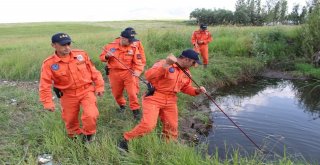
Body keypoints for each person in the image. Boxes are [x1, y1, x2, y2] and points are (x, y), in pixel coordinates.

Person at [118, 49, 207, 152]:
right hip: (154, 97)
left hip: (171, 100)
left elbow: (185, 88)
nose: (194, 65)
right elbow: (149, 76)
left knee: (172, 126)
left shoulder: (186, 73)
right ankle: (125, 141)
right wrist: (166, 65)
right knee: (148, 125)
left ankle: (167, 147)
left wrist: (197, 91)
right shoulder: (163, 63)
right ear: (187, 59)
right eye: (193, 62)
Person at [39, 32, 105, 143]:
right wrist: (47, 102)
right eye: (63, 45)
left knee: (91, 115)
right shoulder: (49, 64)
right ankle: (75, 137)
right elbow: (44, 84)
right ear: (53, 45)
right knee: (70, 120)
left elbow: (94, 71)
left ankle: (89, 136)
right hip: (67, 94)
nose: (67, 47)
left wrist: (99, 86)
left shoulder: (81, 55)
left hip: (86, 90)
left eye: (69, 44)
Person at [99, 30, 144, 120]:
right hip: (114, 73)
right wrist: (107, 56)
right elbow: (102, 57)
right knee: (117, 94)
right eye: (129, 40)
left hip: (128, 72)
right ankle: (122, 106)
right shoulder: (110, 46)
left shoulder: (133, 48)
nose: (132, 42)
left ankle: (136, 112)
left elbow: (138, 62)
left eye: (132, 40)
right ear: (122, 38)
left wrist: (138, 71)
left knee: (132, 93)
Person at [124, 27, 146, 95]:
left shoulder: (137, 42)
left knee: (135, 78)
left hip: (135, 63)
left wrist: (142, 62)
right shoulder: (122, 41)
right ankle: (129, 91)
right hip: (125, 64)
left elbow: (141, 53)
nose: (133, 36)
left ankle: (135, 92)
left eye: (133, 34)